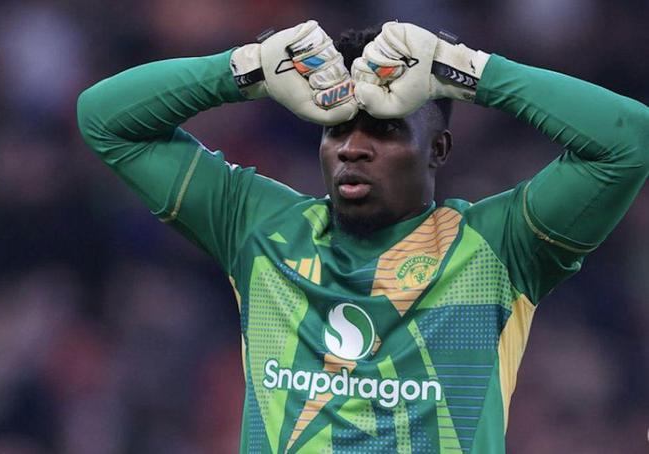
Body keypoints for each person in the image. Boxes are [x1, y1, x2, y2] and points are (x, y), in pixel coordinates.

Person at [77, 20, 647, 454]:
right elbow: (103, 119)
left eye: (385, 129)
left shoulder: (499, 248)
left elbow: (629, 142)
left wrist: (467, 72)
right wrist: (247, 70)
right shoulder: (257, 228)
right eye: (336, 129)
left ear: (439, 149)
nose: (352, 147)